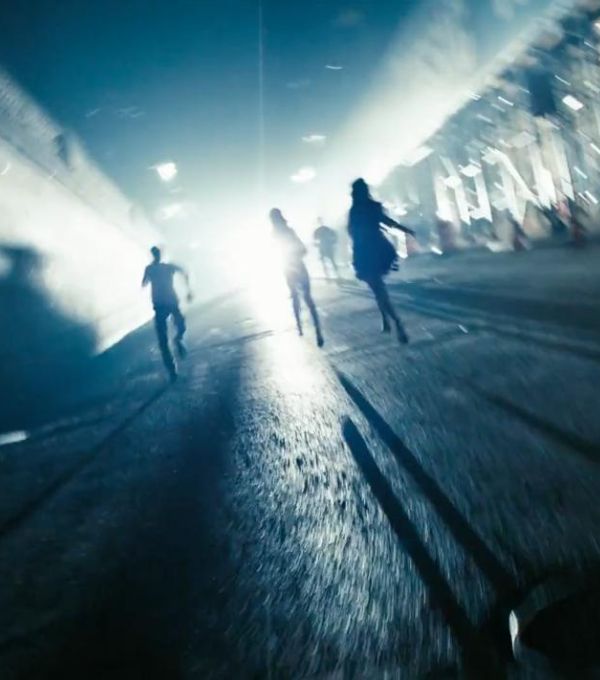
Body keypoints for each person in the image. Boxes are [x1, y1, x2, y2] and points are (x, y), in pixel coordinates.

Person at [347, 178, 414, 342]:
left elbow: (352, 232)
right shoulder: (373, 206)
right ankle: (387, 320)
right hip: (379, 248)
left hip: (364, 252)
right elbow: (387, 222)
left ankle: (395, 322)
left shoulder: (354, 210)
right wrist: (404, 229)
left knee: (377, 289)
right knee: (379, 289)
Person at [269, 208, 324, 347]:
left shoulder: (274, 234)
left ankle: (299, 326)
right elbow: (302, 248)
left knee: (294, 296)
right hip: (299, 265)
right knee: (308, 297)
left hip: (287, 267)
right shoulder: (289, 231)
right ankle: (318, 330)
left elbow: (275, 253)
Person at [142, 246, 192, 381]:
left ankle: (172, 366)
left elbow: (144, 283)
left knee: (166, 337)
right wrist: (188, 290)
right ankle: (172, 366)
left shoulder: (153, 268)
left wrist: (188, 290)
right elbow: (184, 272)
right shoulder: (165, 267)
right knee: (171, 333)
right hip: (168, 303)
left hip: (163, 304)